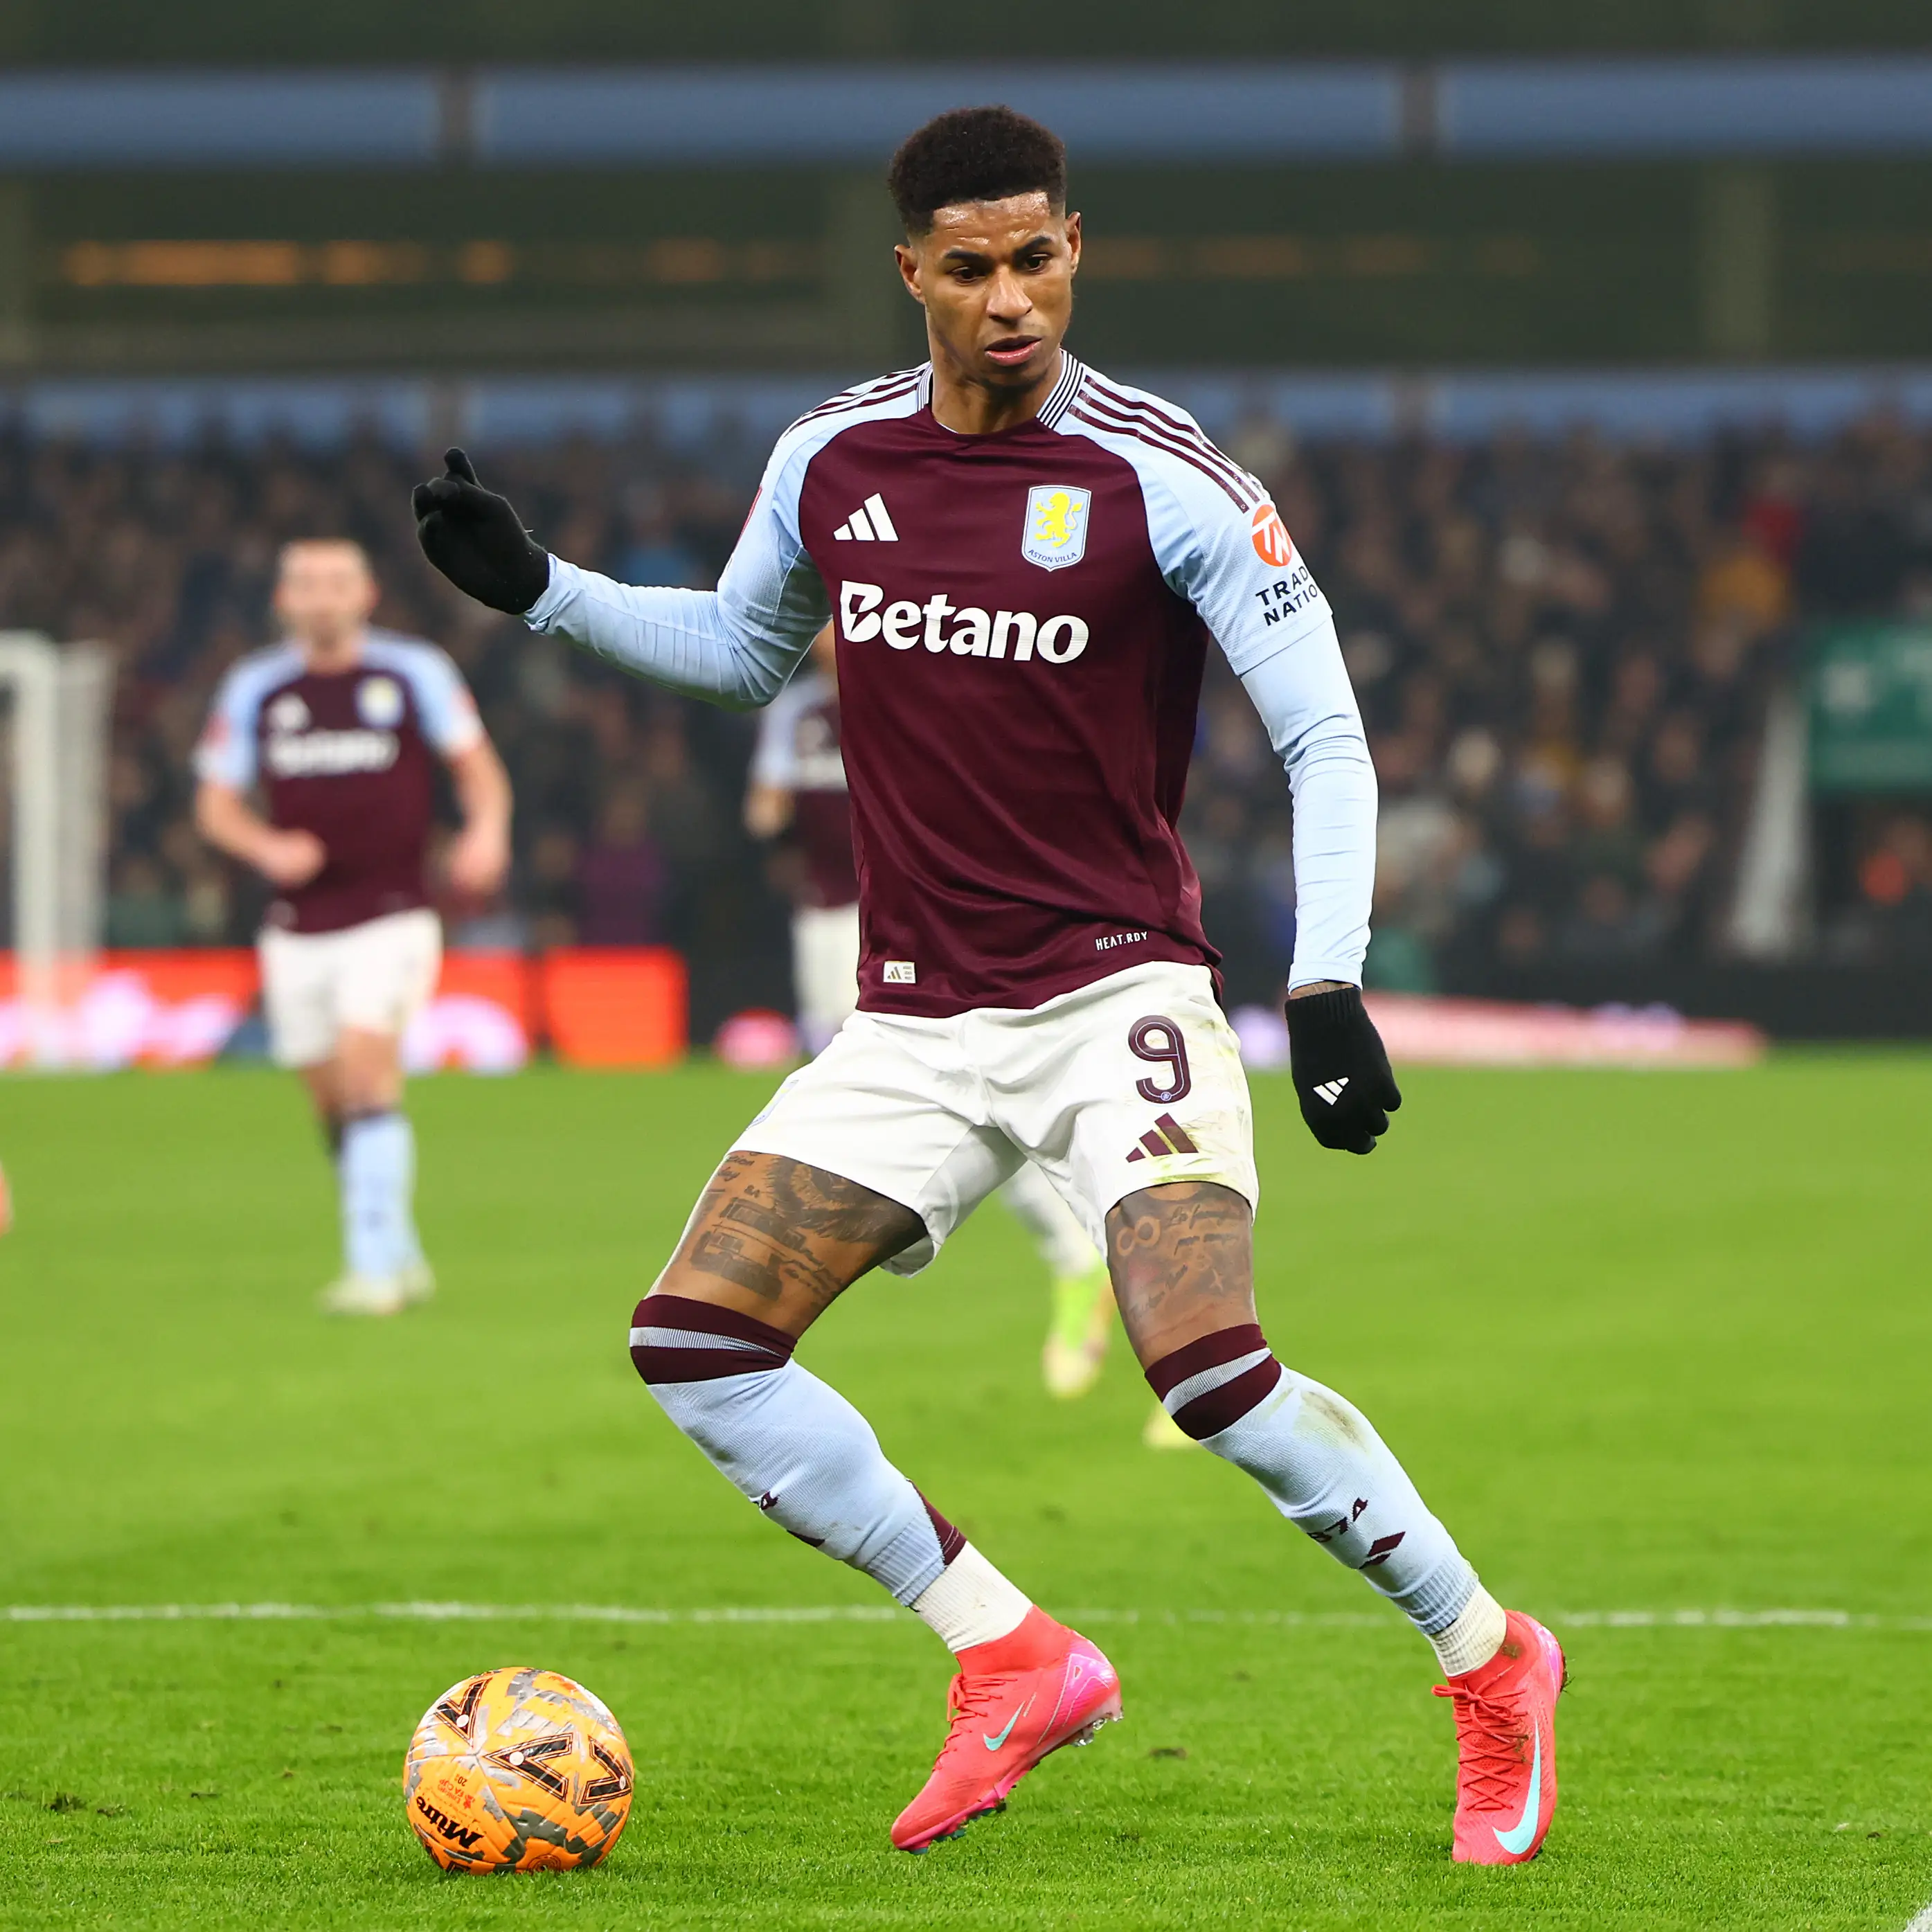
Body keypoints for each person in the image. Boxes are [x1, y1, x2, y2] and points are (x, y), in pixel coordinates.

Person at [413, 105, 1563, 1866]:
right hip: (913, 1018)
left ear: (1073, 249)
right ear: (912, 276)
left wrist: (1325, 980)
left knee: (1207, 1373)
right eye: (971, 268)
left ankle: (1489, 1660)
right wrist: (544, 592)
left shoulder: (1162, 473)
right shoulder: (832, 460)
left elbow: (1321, 730)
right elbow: (741, 648)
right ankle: (1008, 1650)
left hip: (1121, 999)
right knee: (696, 1345)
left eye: (1037, 258)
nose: (1010, 297)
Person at [745, 622, 1120, 1407]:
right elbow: (764, 812)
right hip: (823, 916)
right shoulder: (800, 715)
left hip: (916, 920)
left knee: (971, 1093)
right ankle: (997, 1237)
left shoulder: (919, 691)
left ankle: (1078, 1253)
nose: (826, 637)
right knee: (861, 1093)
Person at [195, 538, 511, 1316]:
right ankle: (396, 1248)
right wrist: (265, 845)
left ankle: (370, 1270)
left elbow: (478, 770)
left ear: (366, 594)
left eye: (337, 581)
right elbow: (215, 803)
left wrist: (486, 833)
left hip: (393, 914)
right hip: (296, 925)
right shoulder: (255, 688)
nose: (322, 595)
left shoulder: (414, 672)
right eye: (305, 582)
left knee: (370, 1072)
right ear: (284, 600)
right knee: (331, 1098)